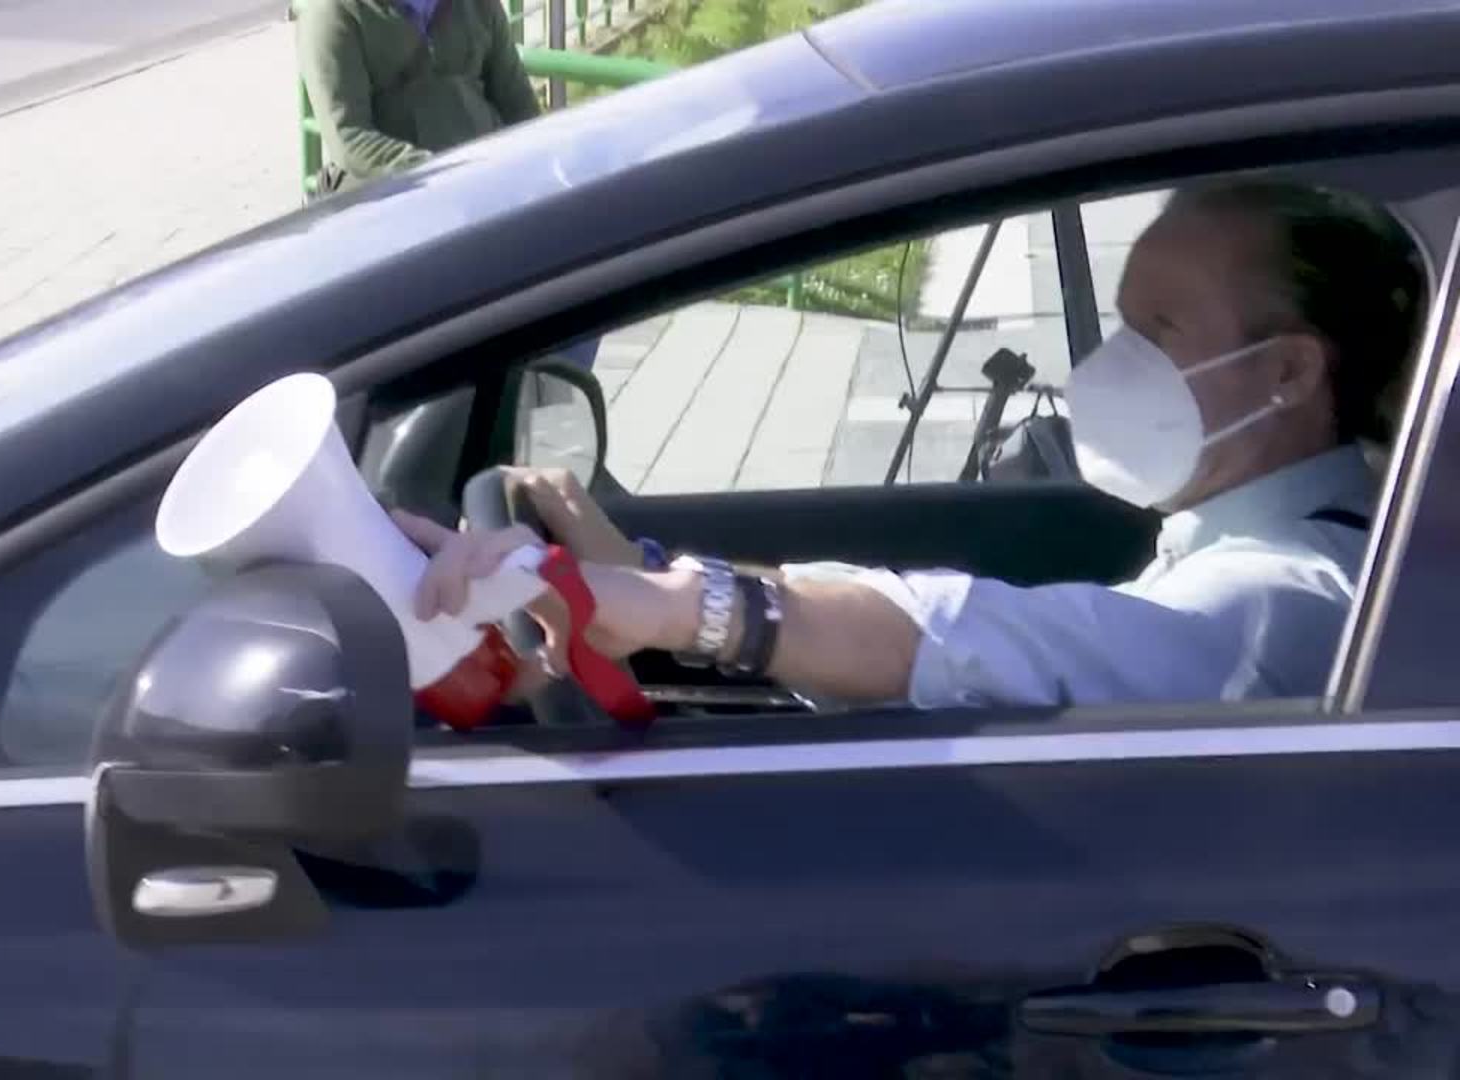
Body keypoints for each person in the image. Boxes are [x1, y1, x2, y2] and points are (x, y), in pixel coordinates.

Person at [395, 180, 1427, 707]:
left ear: (1289, 372)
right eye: (1119, 321)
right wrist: (635, 574)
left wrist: (681, 607)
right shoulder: (1236, 547)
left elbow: (990, 641)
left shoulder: (1292, 601)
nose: (1112, 363)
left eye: (1159, 330)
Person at [296, 0, 541, 194]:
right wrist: (444, 176)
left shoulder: (476, 5)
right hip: (393, 203)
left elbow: (520, 105)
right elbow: (350, 139)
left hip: (489, 187)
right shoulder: (332, 14)